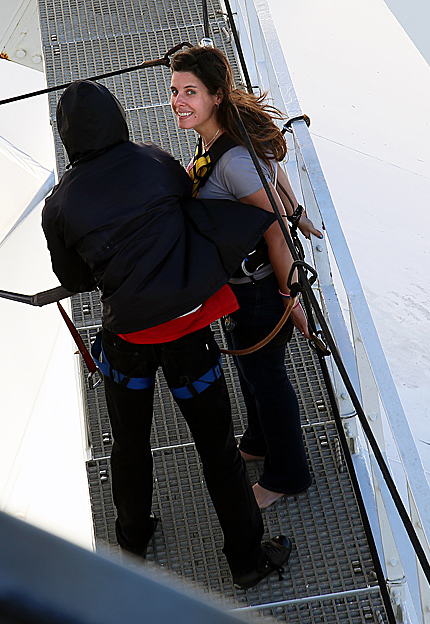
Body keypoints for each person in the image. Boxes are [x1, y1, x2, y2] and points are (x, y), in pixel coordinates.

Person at [41, 79, 291, 589]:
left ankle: (132, 538)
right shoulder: (155, 161)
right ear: (117, 117)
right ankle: (246, 560)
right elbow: (187, 210)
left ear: (67, 137)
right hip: (187, 330)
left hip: (127, 340)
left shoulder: (59, 205)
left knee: (129, 443)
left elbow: (75, 280)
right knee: (217, 448)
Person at [169, 46, 321, 509]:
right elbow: (272, 170)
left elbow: (275, 232)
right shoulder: (218, 138)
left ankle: (287, 475)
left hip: (260, 291)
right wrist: (294, 207)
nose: (178, 101)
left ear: (216, 95)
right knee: (253, 374)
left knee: (268, 381)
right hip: (243, 287)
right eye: (175, 91)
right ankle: (257, 442)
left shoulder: (230, 160)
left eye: (190, 92)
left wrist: (290, 298)